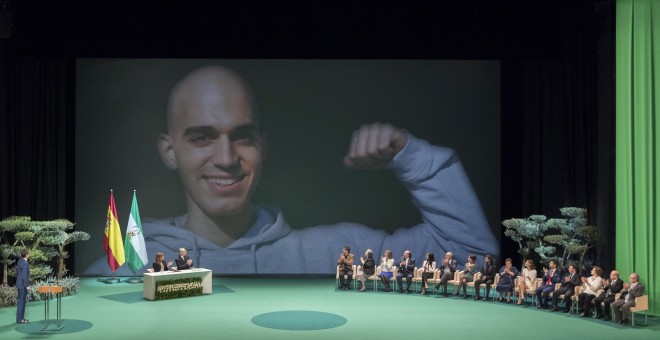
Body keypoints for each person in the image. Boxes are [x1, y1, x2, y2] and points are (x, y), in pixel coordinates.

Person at [83, 65, 499, 275]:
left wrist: (411, 154)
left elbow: (474, 257)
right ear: (169, 151)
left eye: (242, 136)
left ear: (263, 147)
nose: (226, 157)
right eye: (202, 137)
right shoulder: (126, 264)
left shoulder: (340, 252)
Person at [16, 249, 30, 324]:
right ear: (26, 255)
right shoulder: (25, 263)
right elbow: (25, 276)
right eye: (29, 254)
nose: (29, 255)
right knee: (22, 302)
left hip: (19, 284)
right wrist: (27, 285)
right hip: (22, 286)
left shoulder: (19, 261)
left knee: (20, 302)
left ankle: (19, 318)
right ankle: (20, 319)